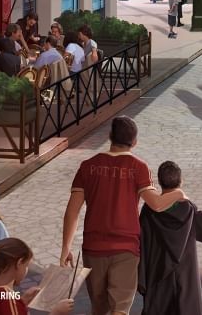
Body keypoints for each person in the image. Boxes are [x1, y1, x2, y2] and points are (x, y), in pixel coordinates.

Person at [60, 116, 187, 315]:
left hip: (93, 249)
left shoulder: (87, 166)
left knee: (99, 308)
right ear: (134, 142)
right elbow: (156, 204)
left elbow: (72, 212)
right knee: (120, 310)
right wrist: (178, 193)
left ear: (110, 136)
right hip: (126, 250)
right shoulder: (139, 167)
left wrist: (66, 247)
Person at [138, 161, 202, 315]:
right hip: (184, 275)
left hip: (158, 273)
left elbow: (141, 242)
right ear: (181, 181)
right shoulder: (188, 209)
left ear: (159, 182)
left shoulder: (149, 210)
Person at [0, 237, 74, 315]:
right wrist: (56, 313)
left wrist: (23, 301)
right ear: (19, 263)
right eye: (26, 266)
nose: (27, 270)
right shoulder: (7, 300)